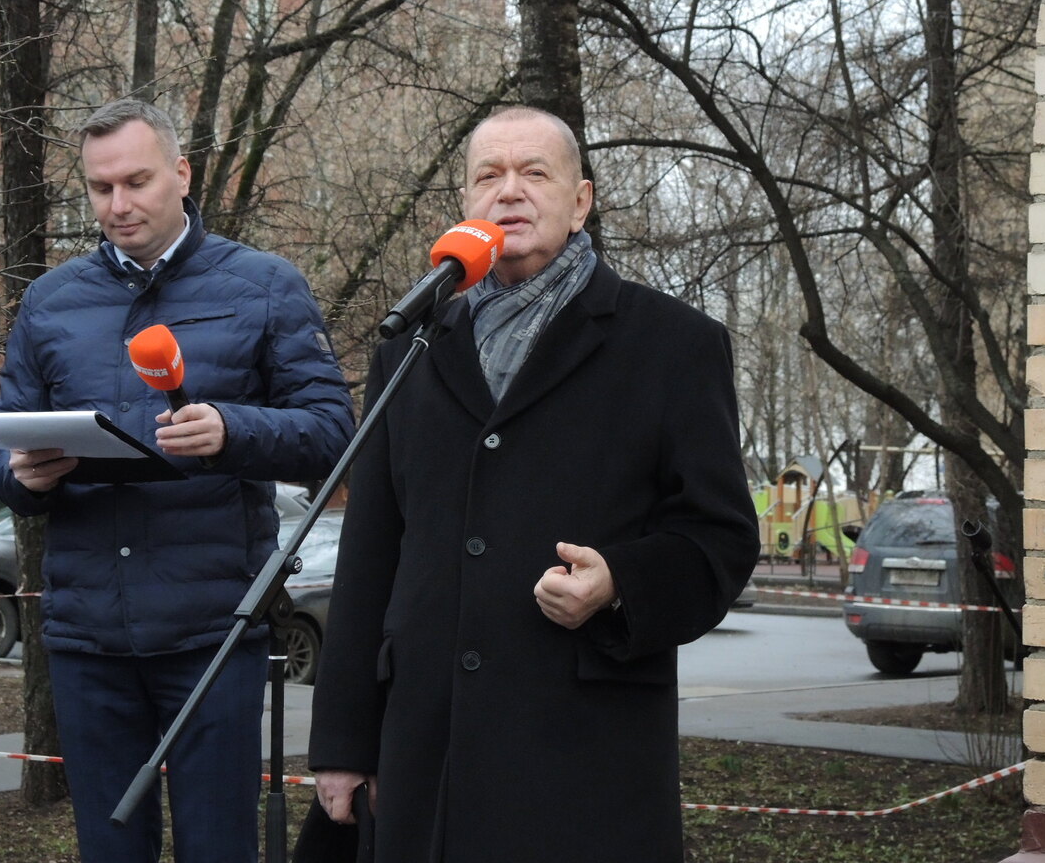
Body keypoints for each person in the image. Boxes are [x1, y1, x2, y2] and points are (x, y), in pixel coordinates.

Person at [307, 106, 759, 862]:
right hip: (424, 754)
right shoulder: (412, 348)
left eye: (534, 173)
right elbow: (369, 554)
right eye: (488, 175)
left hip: (581, 758)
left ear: (580, 202)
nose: (508, 191)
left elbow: (721, 539)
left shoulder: (672, 345)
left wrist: (619, 581)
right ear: (465, 204)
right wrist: (344, 743)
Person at [0, 99, 354, 863]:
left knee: (218, 847)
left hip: (212, 635)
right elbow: (0, 444)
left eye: (137, 181)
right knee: (109, 849)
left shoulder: (263, 286)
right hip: (86, 638)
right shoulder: (50, 301)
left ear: (182, 173)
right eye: (100, 187)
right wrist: (23, 475)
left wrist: (232, 431)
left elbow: (332, 434)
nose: (117, 204)